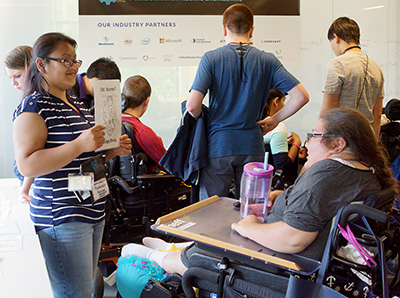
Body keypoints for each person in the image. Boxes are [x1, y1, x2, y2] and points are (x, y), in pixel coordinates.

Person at [122, 108, 396, 275]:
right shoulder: (365, 172)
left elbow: (292, 239)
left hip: (287, 262)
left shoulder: (326, 174)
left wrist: (248, 227)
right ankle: (174, 246)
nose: (308, 143)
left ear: (338, 144)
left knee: (220, 239)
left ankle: (162, 257)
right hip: (302, 252)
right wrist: (283, 198)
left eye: (314, 136)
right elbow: (319, 207)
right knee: (222, 227)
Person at [12, 32, 131, 298]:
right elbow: (27, 165)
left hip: (91, 209)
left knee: (83, 289)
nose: (73, 67)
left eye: (75, 61)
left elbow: (82, 159)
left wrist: (110, 152)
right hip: (62, 214)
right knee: (73, 293)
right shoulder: (34, 105)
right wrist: (79, 144)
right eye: (65, 60)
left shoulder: (74, 102)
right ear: (41, 64)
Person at [186, 3, 309, 201]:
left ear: (224, 28)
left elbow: (192, 106)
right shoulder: (268, 60)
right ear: (252, 31)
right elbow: (302, 96)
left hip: (219, 145)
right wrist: (275, 119)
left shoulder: (211, 58)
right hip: (252, 146)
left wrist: (203, 122)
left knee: (211, 210)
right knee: (251, 209)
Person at [320, 17, 384, 137]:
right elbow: (378, 115)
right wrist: (373, 144)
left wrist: (317, 136)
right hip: (366, 137)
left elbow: (328, 111)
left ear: (336, 37)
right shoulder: (377, 68)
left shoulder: (337, 64)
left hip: (340, 137)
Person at [4, 45, 34, 204]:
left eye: (17, 76)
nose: (13, 83)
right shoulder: (28, 100)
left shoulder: (34, 104)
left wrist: (25, 188)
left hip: (33, 183)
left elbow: (36, 150)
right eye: (10, 78)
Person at [121, 75, 167, 173]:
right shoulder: (142, 132)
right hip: (150, 185)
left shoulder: (114, 123)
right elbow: (168, 163)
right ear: (146, 101)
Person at [263, 88, 302, 184]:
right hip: (269, 185)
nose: (284, 106)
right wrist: (296, 144)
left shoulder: (254, 124)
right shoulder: (277, 126)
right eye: (283, 101)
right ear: (276, 101)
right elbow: (282, 168)